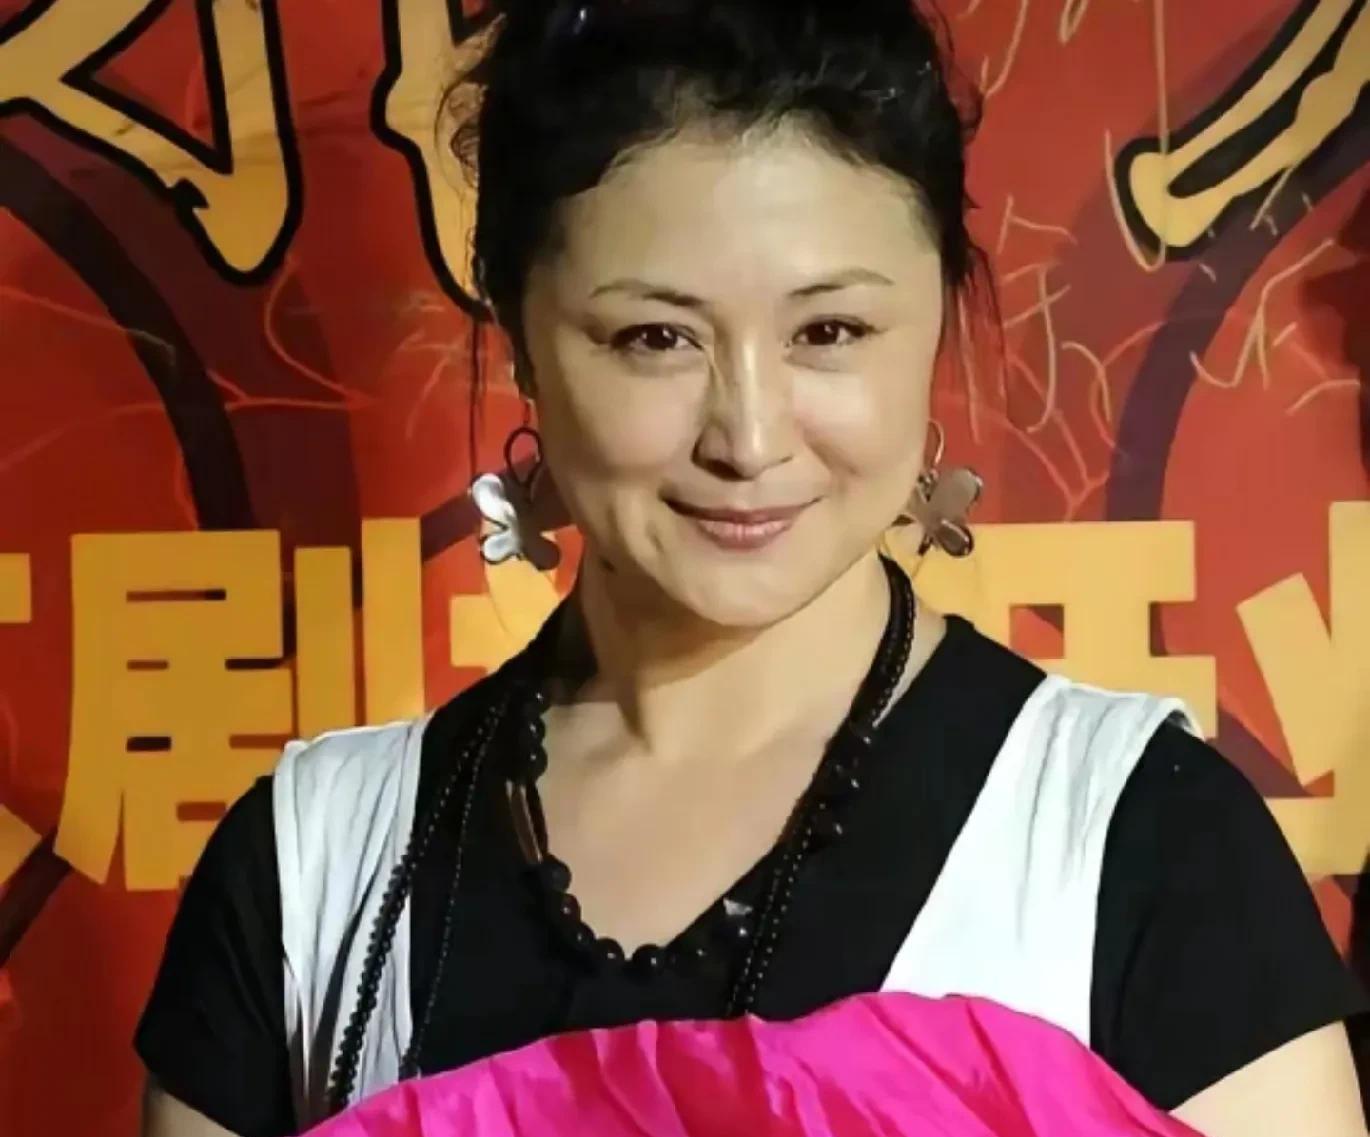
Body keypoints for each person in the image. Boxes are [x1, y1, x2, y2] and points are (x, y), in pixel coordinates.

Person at [137, 2, 1368, 1136]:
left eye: (828, 331)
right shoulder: (311, 870)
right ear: (519, 341)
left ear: (936, 320)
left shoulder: (1140, 845)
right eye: (653, 337)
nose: (749, 436)